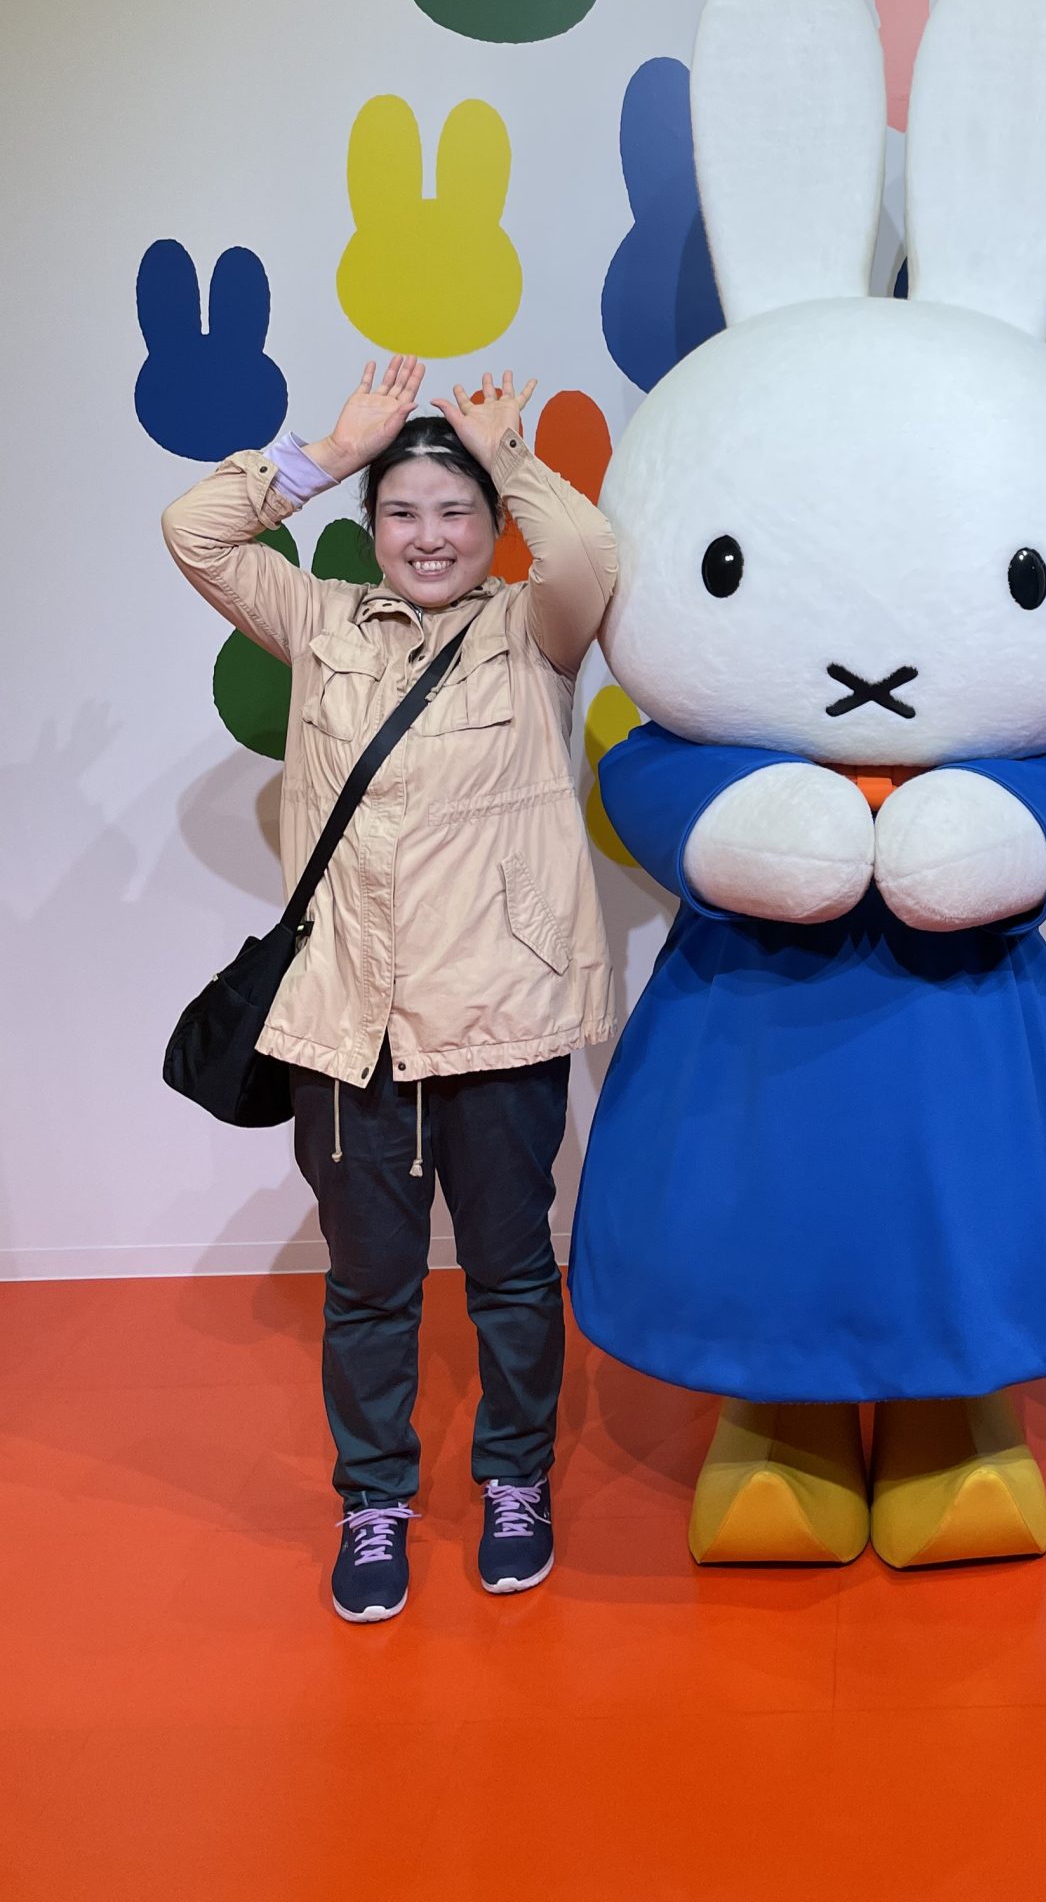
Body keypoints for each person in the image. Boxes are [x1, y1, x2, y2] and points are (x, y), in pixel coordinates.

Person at [162, 358, 618, 1622]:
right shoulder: (320, 623)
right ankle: (374, 1500)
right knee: (369, 1283)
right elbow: (194, 531)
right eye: (404, 510)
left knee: (512, 1274)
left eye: (457, 512)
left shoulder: (532, 632)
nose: (430, 536)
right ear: (370, 525)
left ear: (490, 525)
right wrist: (322, 453)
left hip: (498, 1017)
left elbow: (589, 558)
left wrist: (510, 457)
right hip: (344, 1021)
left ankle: (514, 1481)